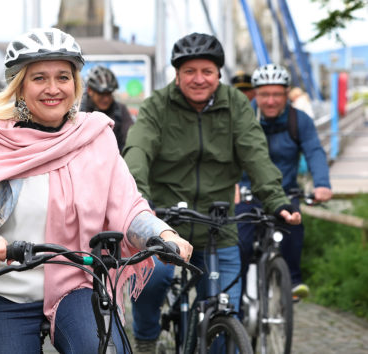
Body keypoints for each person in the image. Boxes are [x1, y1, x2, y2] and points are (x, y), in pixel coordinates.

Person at [0, 27, 193, 354]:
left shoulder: (96, 136)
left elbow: (128, 207)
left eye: (63, 77)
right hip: (2, 288)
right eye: (39, 78)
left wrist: (164, 235)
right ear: (19, 85)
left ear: (75, 84)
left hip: (77, 283)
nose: (53, 89)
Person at [122, 32, 301, 353]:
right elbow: (138, 151)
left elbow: (255, 153)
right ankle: (146, 338)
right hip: (165, 221)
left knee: (222, 310)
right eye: (190, 71)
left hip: (218, 225)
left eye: (207, 71)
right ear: (177, 75)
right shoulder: (157, 106)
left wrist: (276, 200)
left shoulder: (235, 105)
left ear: (219, 74)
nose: (199, 79)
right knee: (152, 280)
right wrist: (140, 204)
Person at [237, 64, 331, 301]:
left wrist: (322, 183)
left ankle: (292, 281)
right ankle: (235, 297)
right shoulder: (241, 119)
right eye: (264, 94)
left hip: (285, 191)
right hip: (247, 192)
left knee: (293, 227)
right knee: (241, 243)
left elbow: (314, 151)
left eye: (277, 94)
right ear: (255, 94)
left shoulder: (299, 121)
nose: (270, 101)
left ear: (287, 94)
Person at [80, 65, 133, 152]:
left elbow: (130, 139)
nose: (106, 99)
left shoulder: (120, 110)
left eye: (109, 94)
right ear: (89, 91)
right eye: (101, 94)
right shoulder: (79, 112)